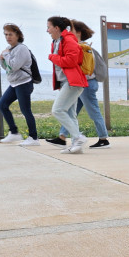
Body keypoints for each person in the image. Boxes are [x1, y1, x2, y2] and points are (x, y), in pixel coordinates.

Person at [56, 19, 111, 149]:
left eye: (72, 30)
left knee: (93, 111)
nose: (68, 32)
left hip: (87, 83)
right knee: (71, 110)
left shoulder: (83, 47)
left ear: (78, 33)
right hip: (82, 84)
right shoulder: (81, 46)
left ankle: (103, 139)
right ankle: (62, 136)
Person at [46, 16, 89, 154]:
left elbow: (71, 60)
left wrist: (52, 57)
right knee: (71, 114)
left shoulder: (68, 39)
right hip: (67, 82)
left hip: (73, 82)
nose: (47, 30)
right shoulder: (57, 41)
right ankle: (76, 147)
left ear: (57, 28)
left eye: (49, 27)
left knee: (57, 110)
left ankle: (78, 137)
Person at [0, 23, 40, 145]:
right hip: (14, 84)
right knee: (2, 104)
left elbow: (15, 66)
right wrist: (1, 59)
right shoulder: (10, 49)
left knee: (25, 110)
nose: (8, 37)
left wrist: (5, 55)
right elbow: (8, 68)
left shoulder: (22, 49)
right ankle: (14, 133)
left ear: (17, 35)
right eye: (6, 34)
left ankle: (34, 138)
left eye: (10, 34)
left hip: (24, 83)